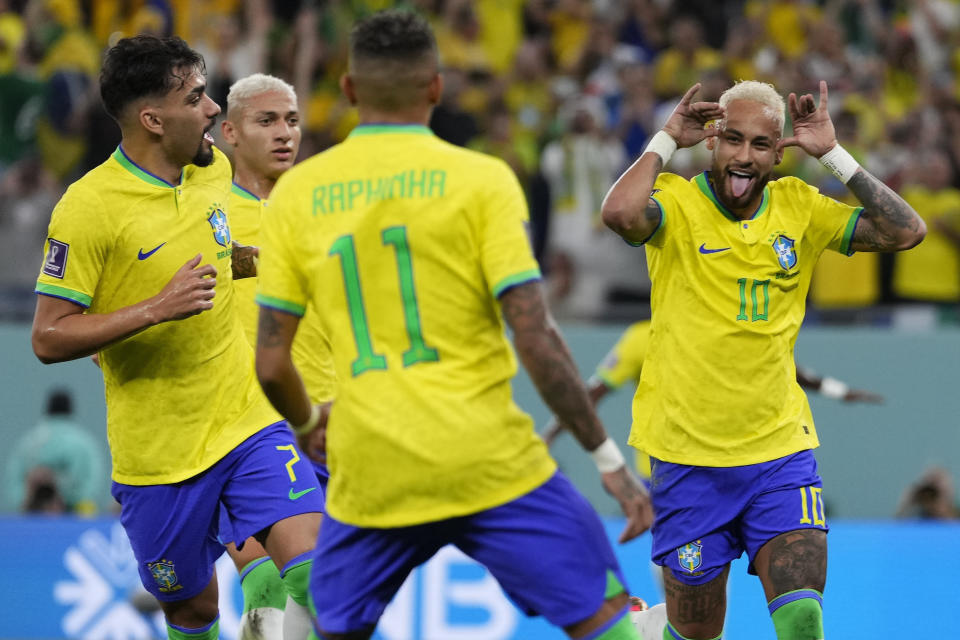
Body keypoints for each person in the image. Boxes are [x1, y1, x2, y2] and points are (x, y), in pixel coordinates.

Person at [255, 10, 653, 640]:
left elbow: (271, 364)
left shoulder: (296, 197)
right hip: (489, 462)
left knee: (324, 629)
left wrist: (309, 427)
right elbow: (536, 337)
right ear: (437, 87)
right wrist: (605, 456)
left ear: (350, 90)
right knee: (610, 622)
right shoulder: (484, 181)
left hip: (371, 474)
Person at [600, 80, 925, 640]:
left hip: (779, 453)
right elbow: (620, 214)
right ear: (712, 142)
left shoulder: (801, 207)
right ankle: (643, 631)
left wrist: (834, 156)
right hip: (686, 459)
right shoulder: (676, 203)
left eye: (759, 144)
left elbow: (906, 231)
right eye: (732, 139)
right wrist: (664, 139)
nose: (744, 156)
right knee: (696, 634)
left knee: (802, 619)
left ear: (779, 153)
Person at [31, 36, 323, 640]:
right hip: (158, 457)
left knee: (318, 575)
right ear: (152, 119)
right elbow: (49, 336)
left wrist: (248, 261)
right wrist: (156, 308)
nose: (214, 108)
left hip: (245, 420)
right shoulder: (87, 210)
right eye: (196, 97)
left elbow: (205, 249)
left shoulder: (211, 167)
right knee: (193, 614)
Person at [220, 72, 337, 640]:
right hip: (240, 430)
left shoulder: (324, 209)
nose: (284, 132)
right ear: (229, 132)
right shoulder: (203, 210)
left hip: (324, 417)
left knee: (322, 587)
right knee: (269, 579)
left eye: (291, 119)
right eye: (267, 121)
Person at [543, 320, 885, 454]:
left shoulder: (718, 323)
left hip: (724, 457)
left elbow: (780, 365)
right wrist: (550, 434)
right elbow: (593, 394)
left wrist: (838, 390)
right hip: (666, 461)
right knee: (679, 561)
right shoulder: (639, 338)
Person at [5, 388, 106, 514]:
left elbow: (14, 481)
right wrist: (69, 497)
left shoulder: (28, 442)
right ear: (70, 409)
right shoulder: (84, 443)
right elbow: (91, 484)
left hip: (31, 517)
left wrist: (27, 499)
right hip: (73, 517)